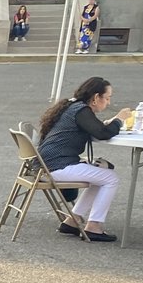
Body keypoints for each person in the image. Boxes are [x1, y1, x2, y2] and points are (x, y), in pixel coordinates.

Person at [37, 75, 134, 244]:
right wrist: (119, 119)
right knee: (111, 178)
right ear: (96, 97)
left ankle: (73, 221)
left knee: (103, 173)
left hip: (46, 163)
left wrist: (110, 122)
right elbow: (102, 134)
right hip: (56, 166)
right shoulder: (82, 111)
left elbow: (94, 127)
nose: (109, 102)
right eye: (107, 98)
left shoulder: (73, 106)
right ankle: (94, 226)